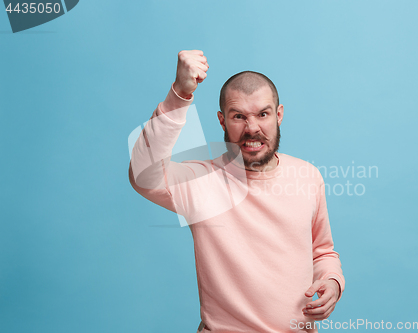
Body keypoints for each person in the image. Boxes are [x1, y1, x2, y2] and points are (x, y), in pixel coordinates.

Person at [128, 50, 345, 333]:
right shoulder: (202, 181)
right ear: (222, 121)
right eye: (239, 116)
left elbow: (322, 251)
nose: (251, 127)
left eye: (263, 114)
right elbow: (143, 175)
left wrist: (332, 282)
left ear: (279, 115)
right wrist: (179, 94)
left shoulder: (308, 176)